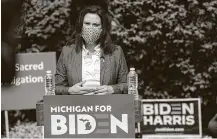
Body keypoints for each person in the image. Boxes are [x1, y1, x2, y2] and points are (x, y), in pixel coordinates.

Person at [55, 5, 128, 95]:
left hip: (107, 105)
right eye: (87, 23)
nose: (90, 28)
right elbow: (56, 87)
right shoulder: (67, 51)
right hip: (77, 106)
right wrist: (70, 90)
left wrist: (112, 89)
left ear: (102, 29)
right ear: (81, 25)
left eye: (96, 25)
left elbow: (126, 85)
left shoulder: (116, 52)